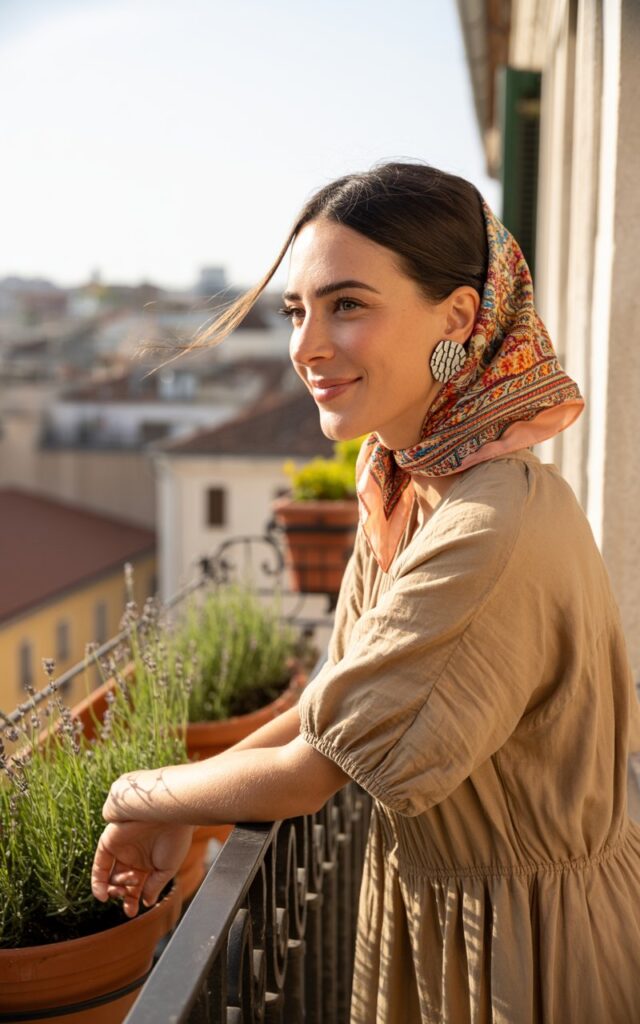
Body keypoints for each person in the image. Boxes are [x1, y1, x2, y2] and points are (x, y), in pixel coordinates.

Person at [91, 161, 640, 1023]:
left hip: (524, 953)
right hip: (447, 924)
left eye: (347, 304)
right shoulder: (404, 478)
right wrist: (195, 796)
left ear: (458, 317)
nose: (307, 346)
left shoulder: (490, 523)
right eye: (296, 311)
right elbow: (333, 699)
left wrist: (136, 794)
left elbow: (312, 772)